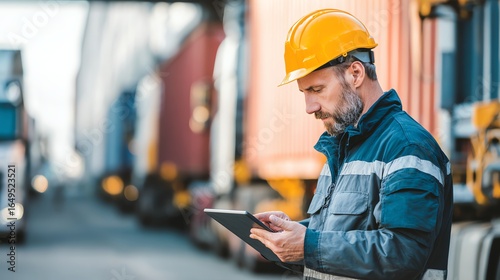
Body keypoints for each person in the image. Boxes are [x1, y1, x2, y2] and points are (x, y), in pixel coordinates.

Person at [249, 9, 453, 280]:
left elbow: (403, 254)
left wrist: (307, 245)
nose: (310, 107)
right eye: (304, 92)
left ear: (355, 74)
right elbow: (339, 238)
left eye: (316, 90)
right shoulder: (342, 147)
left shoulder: (407, 148)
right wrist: (290, 237)